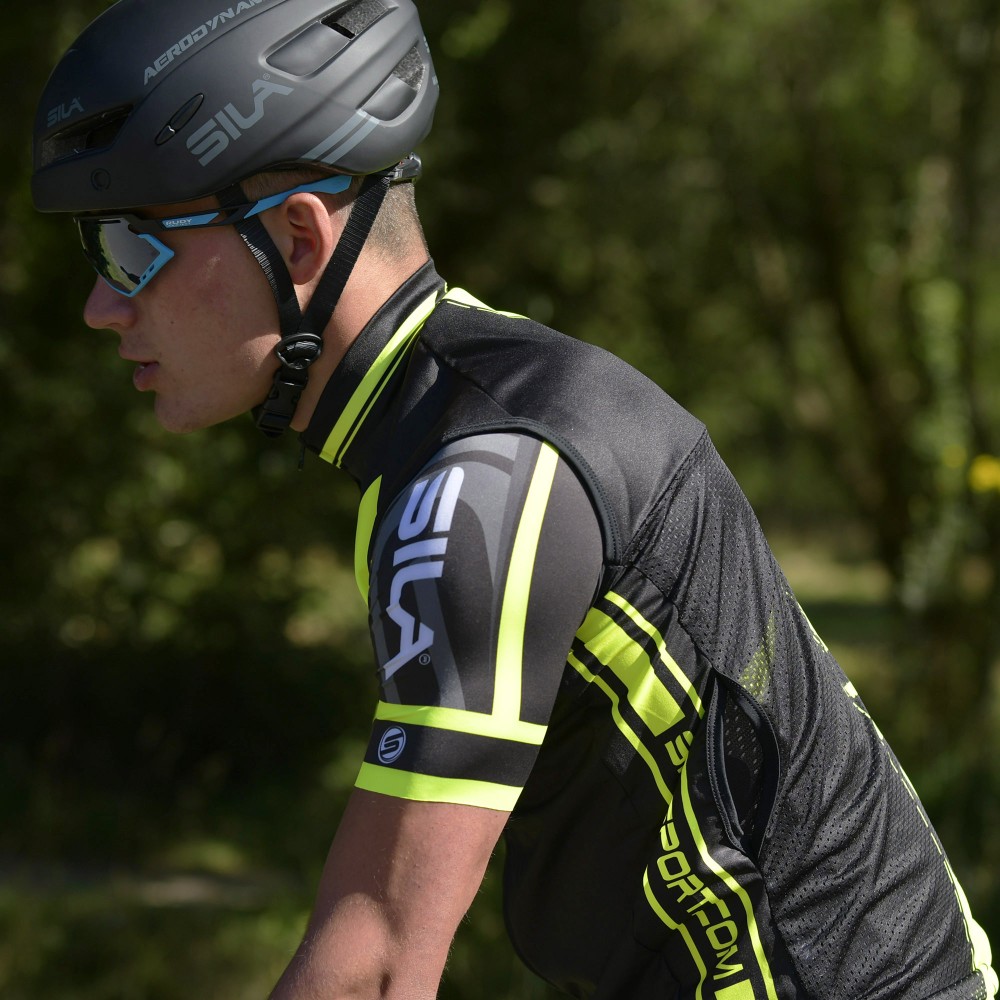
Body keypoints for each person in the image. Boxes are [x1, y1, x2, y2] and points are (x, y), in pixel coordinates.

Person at [32, 2, 997, 998]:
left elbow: (376, 964)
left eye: (129, 248)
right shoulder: (477, 409)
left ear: (297, 237)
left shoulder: (482, 477)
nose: (102, 306)